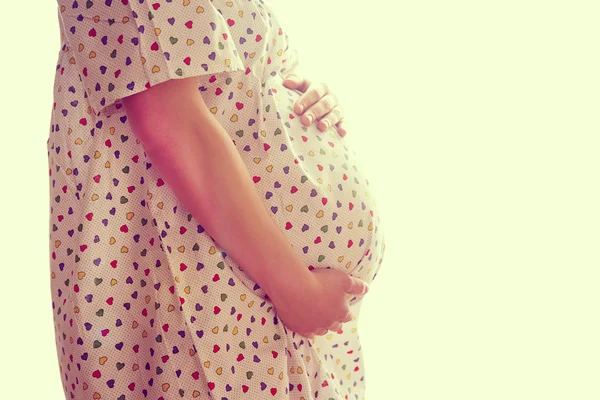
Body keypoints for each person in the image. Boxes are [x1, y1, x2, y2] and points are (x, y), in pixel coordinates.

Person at [47, 0, 386, 399]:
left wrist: (300, 92)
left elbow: (232, 80)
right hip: (205, 276)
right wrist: (295, 289)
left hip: (264, 294)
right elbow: (170, 123)